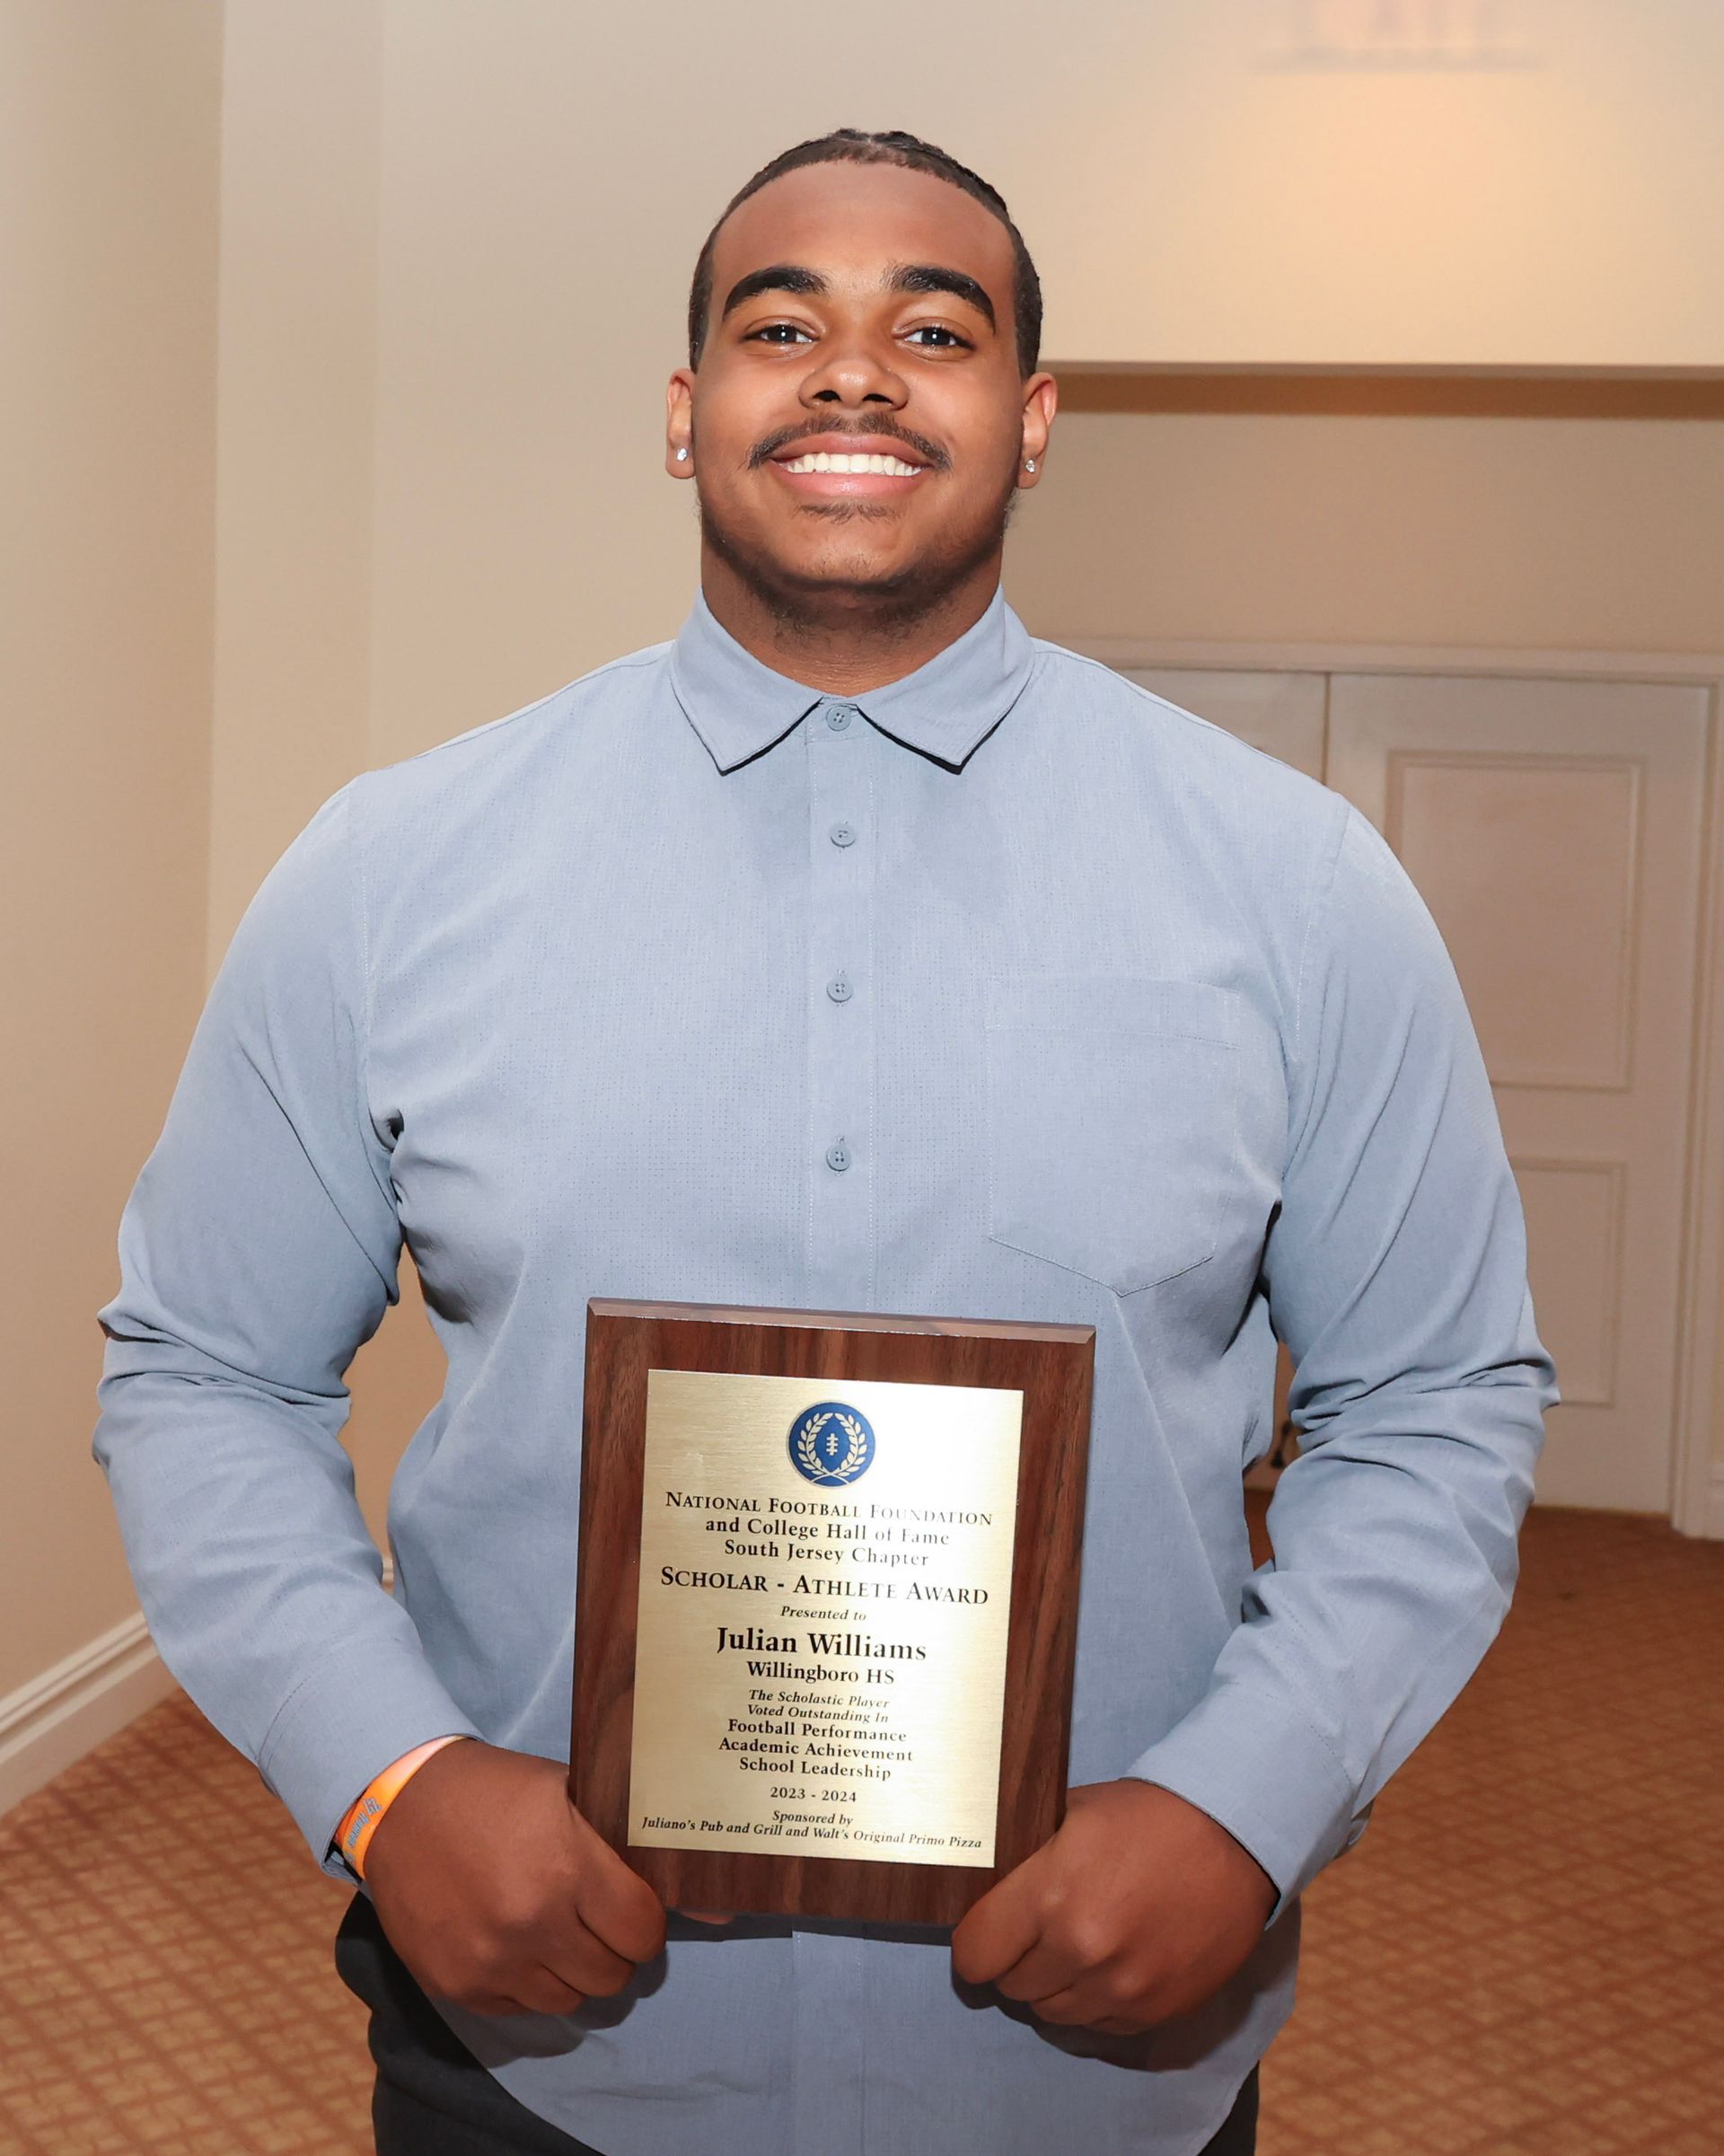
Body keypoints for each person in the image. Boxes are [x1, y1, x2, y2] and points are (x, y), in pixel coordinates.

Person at [93, 128, 1555, 2156]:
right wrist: (388, 1778)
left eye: (932, 329)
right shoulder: (389, 876)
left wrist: (1251, 1794)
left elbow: (1441, 1399)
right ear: (689, 415)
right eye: (783, 324)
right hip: (546, 2067)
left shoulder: (1299, 893)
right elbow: (202, 1368)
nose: (854, 372)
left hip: (1091, 2078)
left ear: (1031, 423)